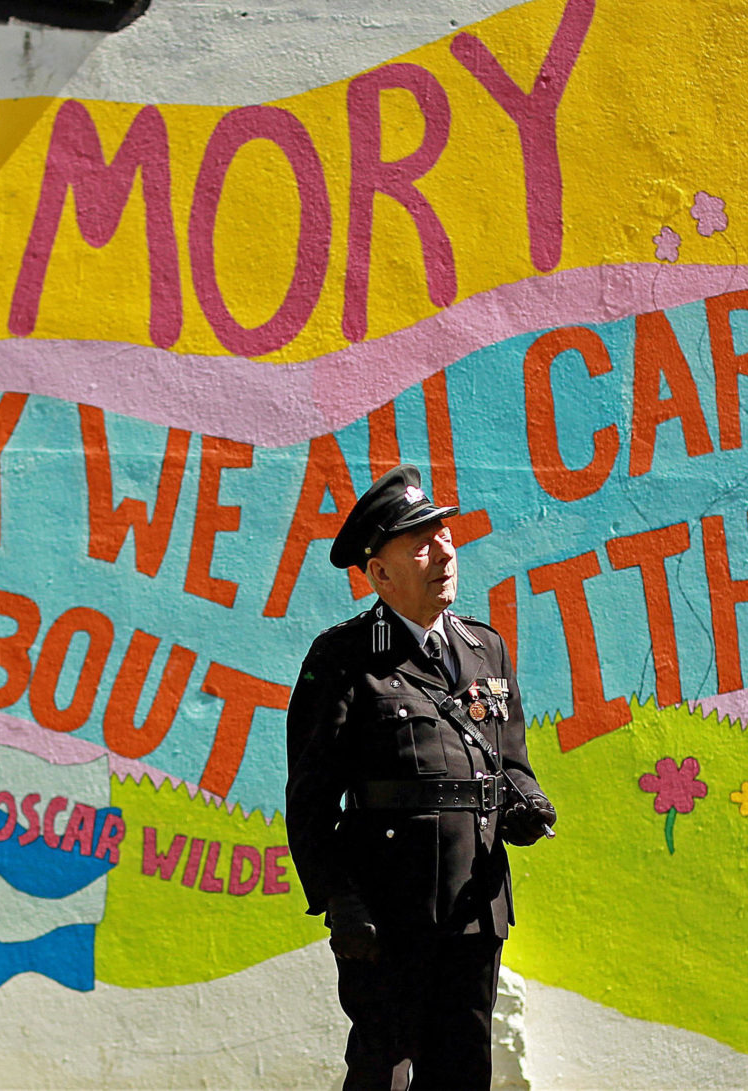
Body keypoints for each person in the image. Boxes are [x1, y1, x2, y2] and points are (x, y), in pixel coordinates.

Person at [284, 464, 557, 1090]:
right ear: (380, 572)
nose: (443, 553)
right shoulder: (344, 658)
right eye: (421, 543)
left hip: (475, 902)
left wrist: (528, 803)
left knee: (463, 1070)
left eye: (445, 537)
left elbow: (510, 761)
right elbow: (310, 801)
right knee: (385, 1071)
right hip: (388, 911)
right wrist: (339, 900)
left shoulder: (485, 649)